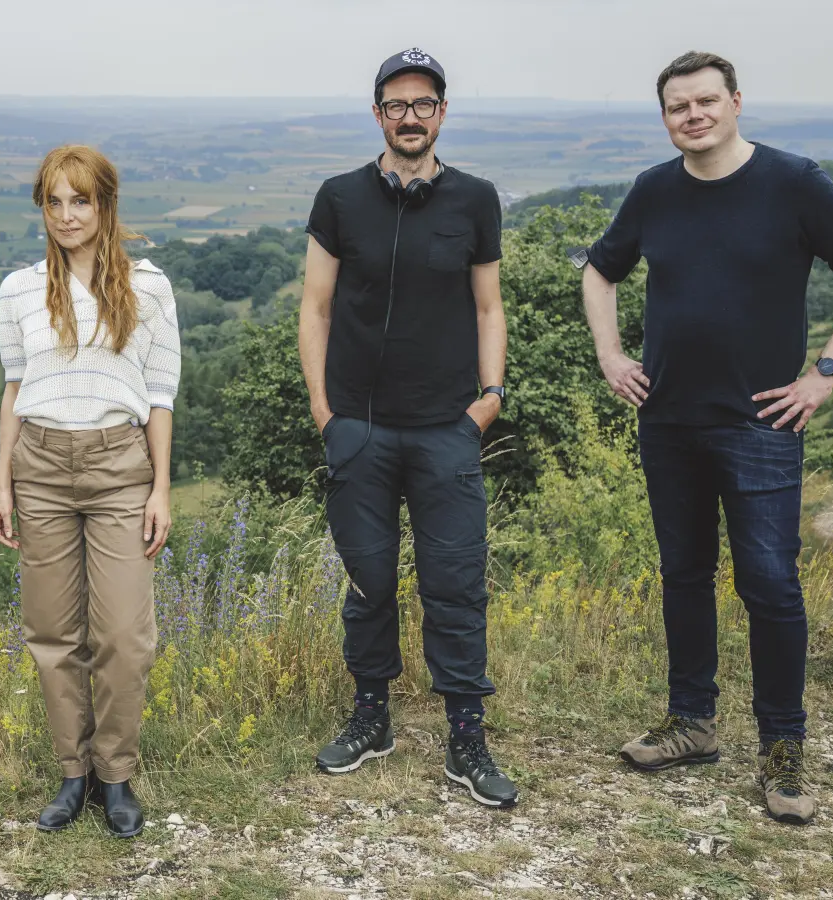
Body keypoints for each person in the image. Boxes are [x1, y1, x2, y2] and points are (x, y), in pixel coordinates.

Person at [581, 51, 833, 826]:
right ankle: (691, 723)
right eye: (676, 107)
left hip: (760, 423)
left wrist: (826, 372)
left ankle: (782, 748)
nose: (691, 116)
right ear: (665, 118)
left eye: (704, 102)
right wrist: (611, 355)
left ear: (734, 103)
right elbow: (599, 271)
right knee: (684, 575)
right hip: (668, 420)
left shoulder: (793, 182)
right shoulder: (654, 190)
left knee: (770, 584)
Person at [299, 48, 517, 808]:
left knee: (456, 585)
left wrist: (488, 398)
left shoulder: (476, 200)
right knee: (370, 582)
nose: (411, 116)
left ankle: (465, 735)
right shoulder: (339, 198)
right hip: (358, 427)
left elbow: (489, 306)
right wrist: (326, 414)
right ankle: (372, 717)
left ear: (442, 113)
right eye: (397, 104)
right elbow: (316, 309)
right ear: (378, 114)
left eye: (425, 103)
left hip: (446, 428)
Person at [0, 145, 180, 838]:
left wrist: (161, 487)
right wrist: (2, 482)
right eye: (54, 201)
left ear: (105, 205)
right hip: (38, 465)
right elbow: (15, 387)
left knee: (125, 636)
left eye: (81, 200)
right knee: (51, 632)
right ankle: (73, 774)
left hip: (118, 467)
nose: (67, 215)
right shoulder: (17, 290)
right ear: (42, 207)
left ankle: (116, 773)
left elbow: (159, 395)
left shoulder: (149, 287)